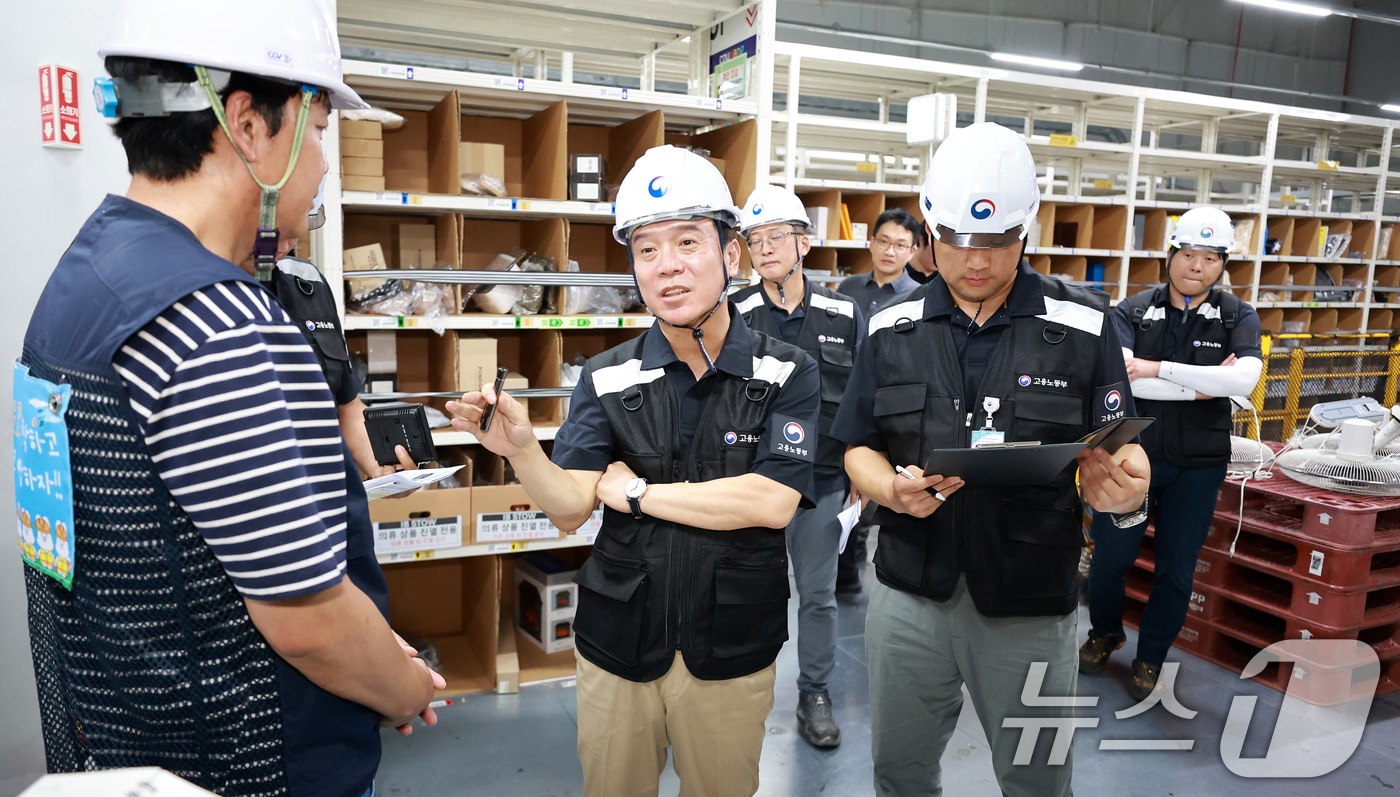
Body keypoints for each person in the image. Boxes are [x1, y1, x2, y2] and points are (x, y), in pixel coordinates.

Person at [18, 2, 442, 795]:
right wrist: (405, 684)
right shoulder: (221, 325)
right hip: (251, 763)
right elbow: (309, 621)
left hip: (129, 739)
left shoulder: (86, 274)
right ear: (247, 124)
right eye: (318, 131)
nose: (322, 164)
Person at [447, 145, 820, 797]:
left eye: (687, 241)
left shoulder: (787, 370)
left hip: (731, 647)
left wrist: (637, 492)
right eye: (647, 249)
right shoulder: (606, 375)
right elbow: (571, 507)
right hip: (618, 643)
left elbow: (770, 501)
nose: (667, 265)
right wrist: (522, 450)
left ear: (731, 255)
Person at [831, 122, 1152, 796]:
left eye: (998, 241)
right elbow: (858, 444)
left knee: (1038, 780)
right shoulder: (890, 327)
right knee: (900, 774)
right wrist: (887, 488)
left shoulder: (1084, 326)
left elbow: (1120, 449)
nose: (977, 261)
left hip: (1031, 602)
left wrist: (1129, 492)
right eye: (957, 240)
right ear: (929, 230)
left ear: (1027, 227)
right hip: (910, 593)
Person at [1080, 207, 1263, 699]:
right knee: (1109, 560)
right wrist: (1206, 386)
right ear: (1170, 256)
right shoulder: (1132, 311)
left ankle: (1151, 657)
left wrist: (1155, 369)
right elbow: (1119, 377)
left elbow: (1244, 380)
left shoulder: (1237, 315)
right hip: (1131, 458)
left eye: (1210, 257)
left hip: (1198, 467)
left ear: (1222, 264)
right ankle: (1104, 633)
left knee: (1176, 570)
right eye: (1187, 254)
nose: (1196, 266)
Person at [732, 184, 865, 748]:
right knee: (747, 594)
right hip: (754, 481)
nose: (764, 249)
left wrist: (861, 467)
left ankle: (815, 693)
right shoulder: (732, 314)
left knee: (817, 595)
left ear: (803, 244)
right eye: (754, 240)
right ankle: (738, 693)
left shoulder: (844, 312)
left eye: (775, 237)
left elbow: (862, 397)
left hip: (823, 480)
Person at [836, 207, 922, 318]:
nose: (889, 252)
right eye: (884, 241)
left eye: (900, 245)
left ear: (911, 252)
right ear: (872, 243)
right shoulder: (849, 286)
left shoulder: (918, 297)